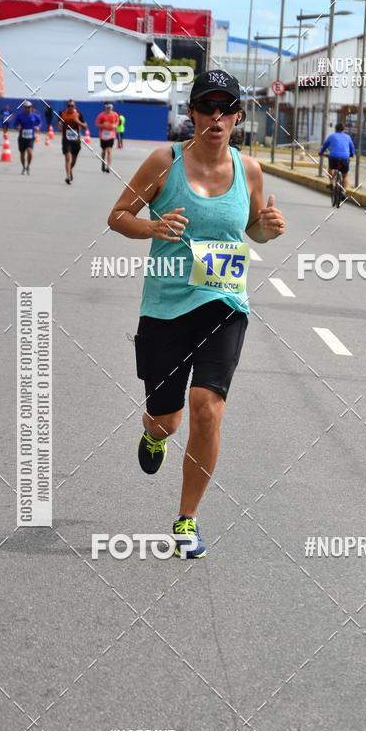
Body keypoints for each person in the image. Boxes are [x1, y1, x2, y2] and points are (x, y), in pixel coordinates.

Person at [107, 70, 285, 559]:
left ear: (238, 118)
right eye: (207, 107)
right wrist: (153, 228)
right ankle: (153, 434)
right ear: (192, 114)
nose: (216, 116)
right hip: (165, 309)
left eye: (226, 108)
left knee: (208, 408)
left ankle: (187, 519)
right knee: (168, 420)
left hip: (223, 303)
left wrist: (268, 228)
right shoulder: (164, 163)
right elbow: (118, 215)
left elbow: (252, 230)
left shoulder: (249, 169)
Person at [319, 122, 355, 193]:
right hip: (345, 158)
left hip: (333, 157)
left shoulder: (331, 136)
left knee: (330, 169)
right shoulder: (348, 137)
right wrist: (352, 154)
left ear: (335, 129)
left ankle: (332, 183)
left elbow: (325, 145)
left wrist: (321, 152)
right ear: (343, 129)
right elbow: (352, 147)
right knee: (345, 176)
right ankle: (344, 192)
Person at [58, 99, 87, 184]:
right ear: (66, 106)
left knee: (74, 160)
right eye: (69, 106)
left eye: (72, 106)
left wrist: (78, 122)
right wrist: (60, 126)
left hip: (76, 140)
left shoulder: (79, 114)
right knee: (67, 158)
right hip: (66, 140)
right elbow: (59, 126)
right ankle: (68, 177)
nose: (70, 107)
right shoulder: (62, 113)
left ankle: (70, 169)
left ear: (75, 106)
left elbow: (85, 127)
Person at [14, 100, 41, 174]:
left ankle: (28, 166)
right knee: (22, 154)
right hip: (22, 137)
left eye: (29, 107)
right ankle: (23, 167)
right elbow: (15, 124)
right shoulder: (20, 116)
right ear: (24, 108)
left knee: (30, 152)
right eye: (26, 107)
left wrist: (38, 126)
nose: (27, 109)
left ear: (31, 108)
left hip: (30, 137)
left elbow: (40, 122)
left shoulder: (34, 115)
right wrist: (17, 127)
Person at [95, 103, 120, 173]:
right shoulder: (101, 115)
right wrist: (103, 125)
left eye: (110, 107)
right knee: (103, 151)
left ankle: (108, 166)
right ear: (105, 108)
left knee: (109, 150)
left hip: (111, 135)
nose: (109, 109)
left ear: (112, 108)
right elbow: (97, 124)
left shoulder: (115, 114)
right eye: (107, 107)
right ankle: (103, 163)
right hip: (103, 135)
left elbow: (117, 122)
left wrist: (115, 125)